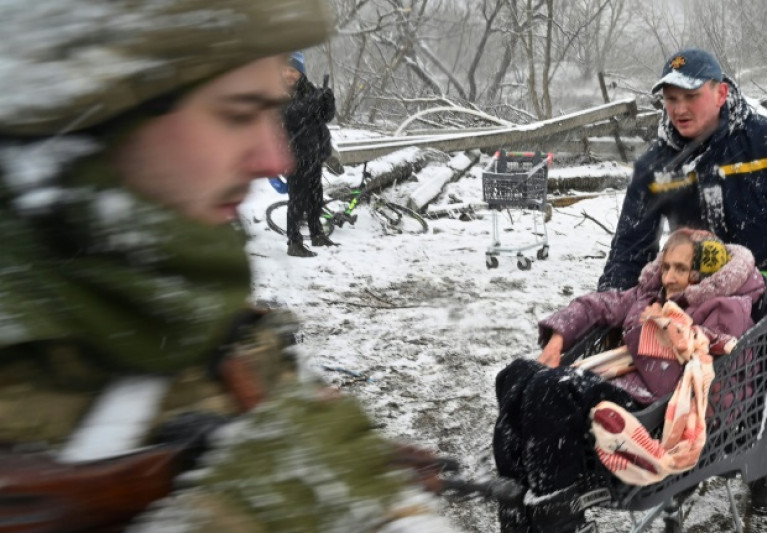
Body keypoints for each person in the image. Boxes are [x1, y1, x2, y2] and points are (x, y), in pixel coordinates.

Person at [0, 2, 456, 532]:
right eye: (238, 113)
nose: (272, 158)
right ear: (91, 121)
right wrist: (232, 516)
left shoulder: (202, 310)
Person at [597, 48, 767, 514]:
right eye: (669, 98)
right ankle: (688, 456)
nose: (678, 109)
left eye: (690, 95)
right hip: (691, 300)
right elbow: (628, 250)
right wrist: (610, 310)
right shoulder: (657, 167)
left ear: (720, 93)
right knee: (689, 382)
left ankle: (758, 470)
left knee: (757, 383)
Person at [493, 229, 765, 533]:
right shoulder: (649, 296)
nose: (669, 278)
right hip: (621, 383)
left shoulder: (726, 309)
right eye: (666, 267)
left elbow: (672, 382)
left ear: (704, 275)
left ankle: (562, 520)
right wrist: (557, 341)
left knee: (549, 391)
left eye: (681, 269)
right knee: (514, 376)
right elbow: (595, 305)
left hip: (654, 411)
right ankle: (516, 508)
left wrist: (648, 326)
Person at [282, 50, 338, 257]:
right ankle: (294, 242)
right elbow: (289, 115)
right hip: (293, 154)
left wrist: (327, 101)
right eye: (285, 70)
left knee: (316, 197)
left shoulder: (310, 90)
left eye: (293, 70)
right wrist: (312, 103)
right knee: (297, 200)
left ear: (301, 72)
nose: (289, 74)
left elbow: (325, 117)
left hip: (314, 153)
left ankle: (317, 233)